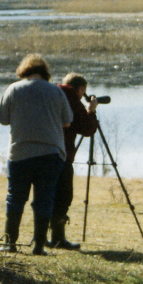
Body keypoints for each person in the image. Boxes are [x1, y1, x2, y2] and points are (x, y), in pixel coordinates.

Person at [0, 54, 73, 255]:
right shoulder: (56, 91)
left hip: (20, 152)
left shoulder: (13, 89)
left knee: (15, 196)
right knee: (45, 198)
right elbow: (67, 121)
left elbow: (2, 119)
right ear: (45, 72)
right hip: (50, 152)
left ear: (23, 71)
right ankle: (38, 245)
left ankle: (9, 243)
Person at [51, 73, 99, 250]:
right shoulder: (71, 97)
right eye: (83, 92)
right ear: (80, 89)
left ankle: (43, 237)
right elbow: (86, 128)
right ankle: (58, 238)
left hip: (44, 152)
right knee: (64, 195)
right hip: (61, 153)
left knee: (48, 194)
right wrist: (91, 110)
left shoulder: (53, 93)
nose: (82, 95)